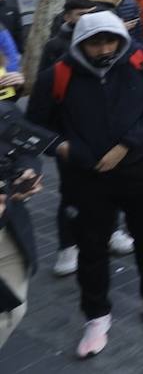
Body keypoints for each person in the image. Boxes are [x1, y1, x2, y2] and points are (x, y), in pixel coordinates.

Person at [26, 11, 143, 357]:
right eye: (95, 43)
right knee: (91, 246)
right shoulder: (58, 75)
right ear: (80, 43)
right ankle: (96, 315)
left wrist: (127, 144)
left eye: (110, 40)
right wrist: (64, 148)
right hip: (86, 177)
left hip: (141, 168)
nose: (104, 48)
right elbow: (35, 125)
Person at [0, 98, 41, 351]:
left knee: (11, 312)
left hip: (7, 236)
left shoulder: (5, 109)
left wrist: (26, 171)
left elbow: (27, 149)